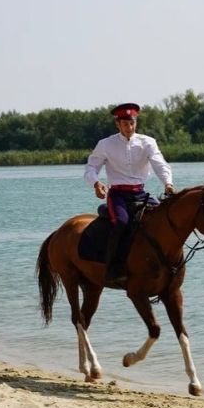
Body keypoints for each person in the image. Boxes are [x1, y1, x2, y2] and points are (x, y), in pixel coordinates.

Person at [84, 103, 175, 283]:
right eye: (125, 124)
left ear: (136, 122)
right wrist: (95, 183)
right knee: (122, 223)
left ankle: (166, 263)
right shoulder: (105, 144)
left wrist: (168, 183)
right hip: (118, 195)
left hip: (141, 193)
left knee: (164, 220)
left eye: (132, 123)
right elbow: (91, 167)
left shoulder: (148, 142)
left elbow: (160, 164)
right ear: (117, 124)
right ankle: (113, 267)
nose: (129, 127)